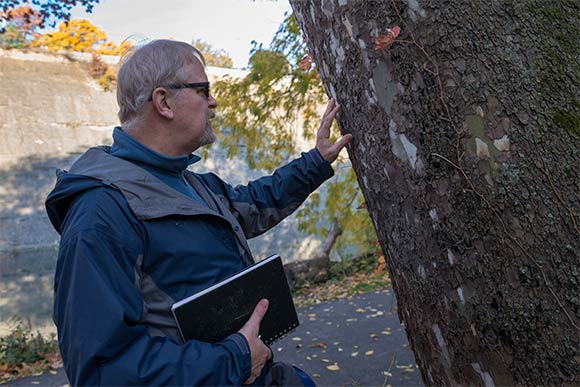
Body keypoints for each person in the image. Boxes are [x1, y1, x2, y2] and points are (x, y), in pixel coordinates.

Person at [45, 39, 352, 386]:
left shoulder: (192, 184)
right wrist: (233, 360)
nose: (213, 101)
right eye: (203, 90)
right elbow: (102, 371)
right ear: (163, 102)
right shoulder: (101, 212)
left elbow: (254, 203)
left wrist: (316, 161)